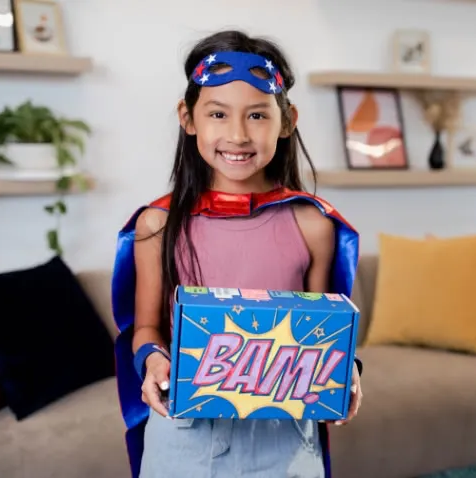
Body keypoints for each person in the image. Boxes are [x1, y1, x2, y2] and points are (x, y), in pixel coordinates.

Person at [109, 30, 363, 478]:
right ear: (188, 118)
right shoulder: (157, 225)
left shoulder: (314, 225)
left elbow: (325, 327)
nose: (238, 135)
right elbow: (147, 326)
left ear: (287, 121)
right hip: (184, 436)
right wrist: (152, 360)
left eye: (258, 115)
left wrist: (346, 371)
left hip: (286, 439)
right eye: (218, 113)